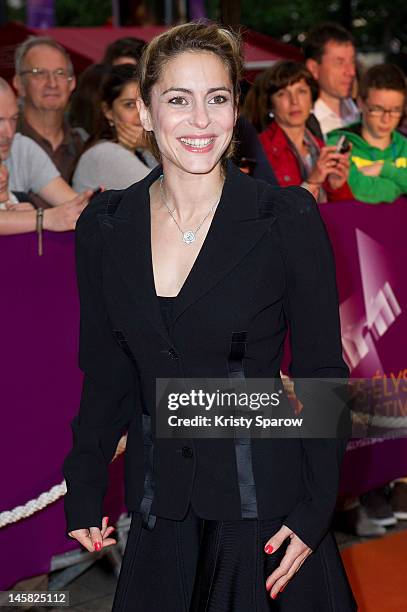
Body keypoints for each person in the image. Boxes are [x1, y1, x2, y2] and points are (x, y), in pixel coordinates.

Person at [63, 22, 356, 611]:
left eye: (216, 98)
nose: (201, 120)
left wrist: (315, 508)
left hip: (266, 513)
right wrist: (86, 481)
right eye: (178, 99)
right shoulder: (105, 227)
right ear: (145, 111)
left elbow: (324, 370)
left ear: (234, 108)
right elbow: (106, 370)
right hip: (159, 509)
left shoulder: (285, 217)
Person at [0, 78, 91, 234]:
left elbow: (72, 205)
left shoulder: (21, 147)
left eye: (14, 119)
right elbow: (52, 218)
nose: (8, 133)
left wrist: (102, 208)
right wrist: (44, 218)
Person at [258, 61, 352, 201]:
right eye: (282, 93)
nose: (294, 101)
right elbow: (271, 211)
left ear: (312, 99)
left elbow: (344, 213)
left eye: (301, 91)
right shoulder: (260, 148)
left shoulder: (322, 148)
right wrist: (312, 182)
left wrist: (336, 187)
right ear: (270, 105)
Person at [327, 63, 407, 203]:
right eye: (377, 109)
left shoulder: (404, 146)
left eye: (395, 110)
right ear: (360, 103)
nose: (386, 119)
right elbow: (357, 190)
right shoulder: (340, 144)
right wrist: (399, 188)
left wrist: (382, 169)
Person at [13, 36, 85, 185]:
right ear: (19, 84)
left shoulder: (84, 145)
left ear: (72, 83)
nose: (52, 83)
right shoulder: (7, 142)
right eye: (39, 73)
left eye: (60, 73)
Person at [72, 64, 155, 192]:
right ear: (108, 111)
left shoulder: (141, 151)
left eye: (146, 103)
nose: (141, 113)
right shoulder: (105, 153)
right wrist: (152, 146)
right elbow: (172, 197)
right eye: (130, 105)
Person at [303, 22, 359, 137]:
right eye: (339, 63)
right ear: (314, 68)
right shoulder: (304, 126)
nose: (351, 72)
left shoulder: (365, 113)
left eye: (352, 62)